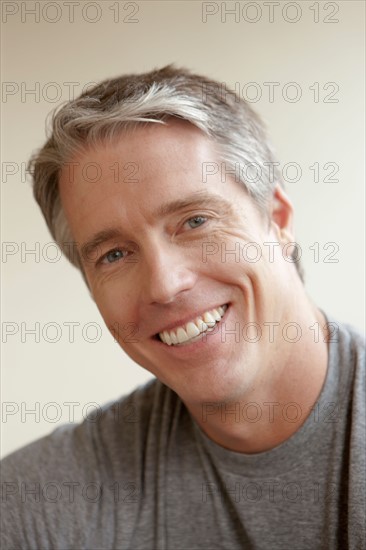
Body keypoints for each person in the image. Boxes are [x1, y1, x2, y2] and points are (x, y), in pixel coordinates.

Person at [1, 65, 365, 550]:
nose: (165, 285)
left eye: (194, 221)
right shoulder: (36, 505)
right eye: (114, 254)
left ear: (277, 220)